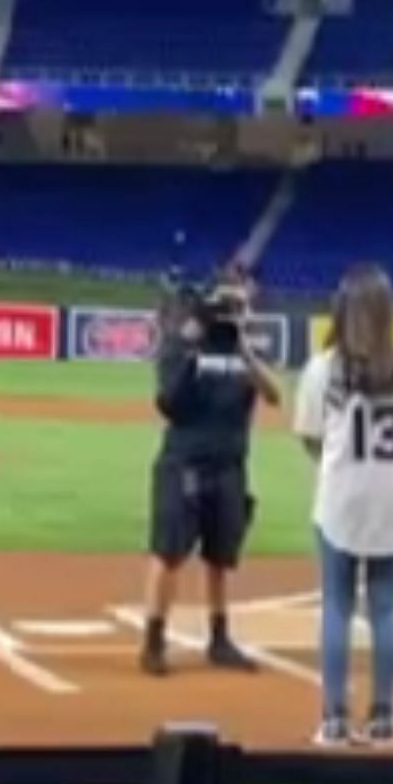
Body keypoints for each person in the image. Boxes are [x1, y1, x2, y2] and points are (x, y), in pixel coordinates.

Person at [293, 265, 393, 748]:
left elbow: (309, 436)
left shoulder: (325, 368)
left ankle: (333, 719)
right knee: (388, 607)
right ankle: (385, 719)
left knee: (337, 606)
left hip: (342, 497)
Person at [136, 275, 283, 677]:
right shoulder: (179, 349)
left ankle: (220, 638)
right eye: (230, 307)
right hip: (184, 463)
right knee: (168, 553)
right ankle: (153, 639)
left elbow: (274, 394)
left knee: (221, 557)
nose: (238, 315)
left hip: (229, 466)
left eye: (243, 308)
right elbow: (168, 403)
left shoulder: (245, 353)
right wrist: (194, 348)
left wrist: (244, 351)